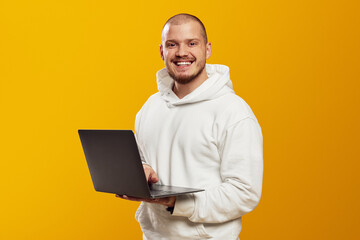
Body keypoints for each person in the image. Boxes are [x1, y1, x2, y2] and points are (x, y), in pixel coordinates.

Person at [116, 13, 263, 240]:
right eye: (172, 44)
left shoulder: (234, 112)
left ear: (207, 49)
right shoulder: (150, 107)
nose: (182, 52)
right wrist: (141, 171)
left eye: (192, 43)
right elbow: (144, 158)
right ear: (162, 51)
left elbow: (245, 193)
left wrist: (178, 202)